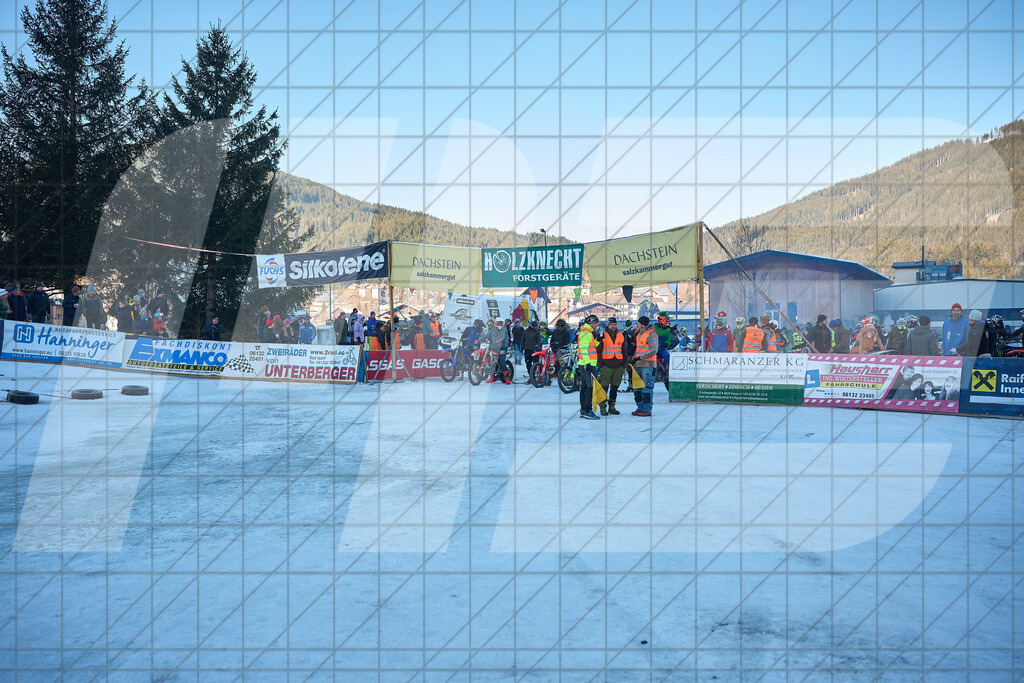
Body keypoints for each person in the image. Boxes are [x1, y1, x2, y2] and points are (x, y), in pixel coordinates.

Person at [597, 317, 625, 415]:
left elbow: (624, 350)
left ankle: (612, 406)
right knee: (604, 387)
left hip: (618, 365)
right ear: (608, 325)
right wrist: (601, 364)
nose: (613, 326)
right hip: (606, 365)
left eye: (615, 324)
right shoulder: (602, 335)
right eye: (611, 324)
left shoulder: (620, 336)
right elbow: (598, 351)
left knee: (614, 388)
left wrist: (624, 364)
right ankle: (602, 407)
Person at [630, 316, 658, 417]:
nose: (637, 325)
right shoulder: (639, 335)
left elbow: (654, 350)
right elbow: (638, 350)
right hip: (639, 365)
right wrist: (634, 359)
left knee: (647, 388)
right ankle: (640, 406)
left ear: (642, 324)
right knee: (638, 388)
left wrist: (640, 358)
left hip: (648, 365)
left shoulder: (651, 334)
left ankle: (647, 408)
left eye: (638, 323)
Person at [576, 315, 601, 419]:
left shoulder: (587, 332)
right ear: (592, 323)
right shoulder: (586, 332)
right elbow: (583, 348)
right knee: (590, 387)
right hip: (587, 364)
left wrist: (598, 340)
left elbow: (591, 346)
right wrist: (587, 364)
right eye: (596, 324)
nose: (597, 326)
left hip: (586, 363)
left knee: (584, 387)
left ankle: (583, 410)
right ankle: (587, 410)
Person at [485, 318, 510, 384]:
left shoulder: (504, 330)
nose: (500, 324)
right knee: (491, 361)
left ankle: (507, 377)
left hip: (502, 348)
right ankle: (492, 377)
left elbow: (505, 336)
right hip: (494, 347)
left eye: (501, 323)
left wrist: (501, 339)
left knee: (502, 361)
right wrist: (479, 339)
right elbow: (487, 335)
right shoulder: (492, 330)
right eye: (499, 323)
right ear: (495, 323)